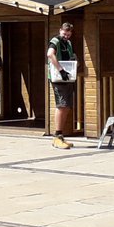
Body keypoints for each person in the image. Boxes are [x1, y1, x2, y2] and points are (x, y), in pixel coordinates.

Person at [47, 21, 77, 149]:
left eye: (68, 34)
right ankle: (57, 136)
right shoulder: (56, 40)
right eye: (64, 33)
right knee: (61, 105)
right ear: (60, 31)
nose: (66, 36)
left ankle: (61, 136)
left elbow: (72, 57)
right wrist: (60, 70)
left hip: (67, 78)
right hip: (58, 77)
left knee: (67, 106)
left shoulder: (68, 43)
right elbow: (50, 54)